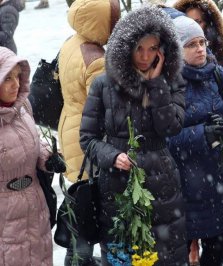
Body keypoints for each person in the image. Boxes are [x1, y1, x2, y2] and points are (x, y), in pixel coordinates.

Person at [79, 6, 188, 265]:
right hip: (117, 189)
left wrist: (157, 84)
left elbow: (171, 127)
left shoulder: (173, 81)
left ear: (163, 51)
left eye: (152, 49)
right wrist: (113, 156)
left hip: (162, 185)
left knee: (164, 255)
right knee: (123, 256)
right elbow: (87, 138)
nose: (145, 56)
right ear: (125, 46)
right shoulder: (103, 84)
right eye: (139, 48)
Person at [168, 16, 223, 266]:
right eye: (191, 44)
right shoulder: (168, 84)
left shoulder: (217, 74)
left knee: (216, 250)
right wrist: (202, 134)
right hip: (182, 186)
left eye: (202, 42)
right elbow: (161, 138)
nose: (200, 48)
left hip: (217, 181)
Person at [57, 0, 120, 264]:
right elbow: (106, 110)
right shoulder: (96, 60)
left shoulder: (72, 43)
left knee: (80, 205)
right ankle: (79, 260)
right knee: (89, 206)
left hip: (69, 127)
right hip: (87, 139)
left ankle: (75, 257)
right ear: (100, 22)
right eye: (113, 19)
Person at [0, 46, 64, 265]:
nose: (16, 85)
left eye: (18, 76)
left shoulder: (23, 107)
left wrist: (48, 156)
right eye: (7, 78)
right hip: (5, 217)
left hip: (35, 207)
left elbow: (32, 142)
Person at [173, 0, 223, 107]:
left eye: (197, 22)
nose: (193, 27)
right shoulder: (172, 59)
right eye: (188, 22)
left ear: (209, 24)